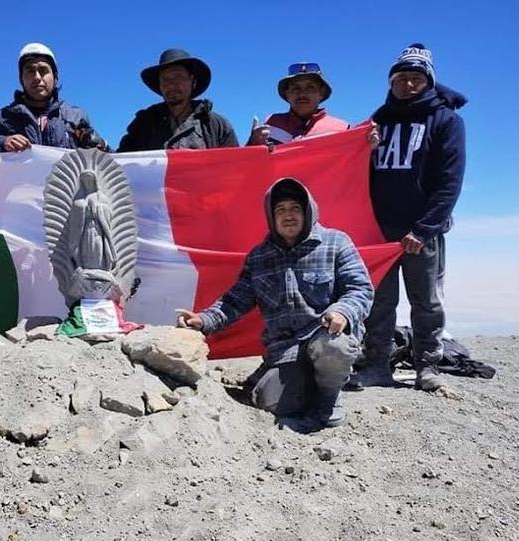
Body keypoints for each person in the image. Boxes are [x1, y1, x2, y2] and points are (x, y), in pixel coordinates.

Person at [176, 178, 373, 428]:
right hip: (285, 349)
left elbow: (360, 289)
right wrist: (203, 320)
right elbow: (235, 301)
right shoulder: (259, 257)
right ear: (271, 217)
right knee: (269, 402)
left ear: (308, 211)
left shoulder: (336, 242)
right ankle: (299, 381)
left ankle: (328, 400)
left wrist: (342, 312)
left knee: (334, 347)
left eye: (295, 209)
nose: (288, 216)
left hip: (325, 337)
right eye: (280, 210)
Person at [353, 43, 466, 392]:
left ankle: (427, 366)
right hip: (380, 230)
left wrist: (425, 227)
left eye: (415, 78)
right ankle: (376, 365)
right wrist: (362, 148)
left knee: (426, 301)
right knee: (379, 301)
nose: (407, 85)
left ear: (428, 81)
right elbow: (355, 174)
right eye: (400, 78)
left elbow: (450, 181)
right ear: (391, 83)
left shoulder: (446, 120)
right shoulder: (379, 120)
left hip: (421, 232)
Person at [0, 42, 107, 152]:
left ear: (55, 77)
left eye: (43, 70)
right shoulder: (3, 117)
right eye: (30, 71)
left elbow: (106, 162)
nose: (37, 77)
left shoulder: (76, 117)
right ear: (21, 79)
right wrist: (2, 142)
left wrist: (101, 146)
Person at [117, 48, 239, 151]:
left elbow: (235, 166)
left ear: (192, 81)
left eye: (178, 77)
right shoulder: (144, 124)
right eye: (165, 79)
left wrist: (253, 145)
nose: (171, 84)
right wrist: (102, 146)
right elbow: (119, 165)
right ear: (159, 84)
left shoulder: (217, 126)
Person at [248, 62, 349, 145]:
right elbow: (249, 164)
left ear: (321, 93)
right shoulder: (272, 124)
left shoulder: (342, 129)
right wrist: (252, 144)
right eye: (295, 88)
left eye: (310, 87)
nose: (302, 93)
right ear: (287, 94)